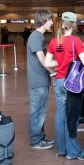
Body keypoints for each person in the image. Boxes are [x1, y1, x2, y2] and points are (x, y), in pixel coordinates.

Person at [45, 12, 84, 160]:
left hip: (58, 81)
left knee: (60, 116)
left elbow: (47, 62)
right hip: (71, 83)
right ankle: (73, 152)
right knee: (72, 116)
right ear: (74, 25)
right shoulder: (75, 40)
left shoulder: (54, 41)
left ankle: (61, 149)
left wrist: (61, 63)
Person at [27, 9, 55, 150]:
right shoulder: (36, 36)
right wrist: (54, 73)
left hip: (41, 80)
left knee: (40, 110)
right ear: (43, 20)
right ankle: (36, 140)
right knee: (37, 110)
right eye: (50, 20)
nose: (52, 23)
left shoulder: (38, 36)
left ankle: (40, 137)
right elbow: (42, 59)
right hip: (38, 80)